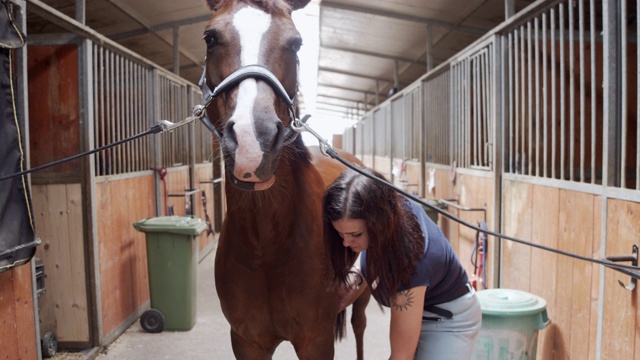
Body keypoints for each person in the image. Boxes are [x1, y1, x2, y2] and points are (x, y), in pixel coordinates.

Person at [323, 168, 482, 360]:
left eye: (355, 235)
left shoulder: (410, 264)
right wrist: (357, 275)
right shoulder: (392, 205)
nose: (346, 243)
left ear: (379, 224)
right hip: (421, 308)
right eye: (340, 234)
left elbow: (401, 357)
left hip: (448, 322)